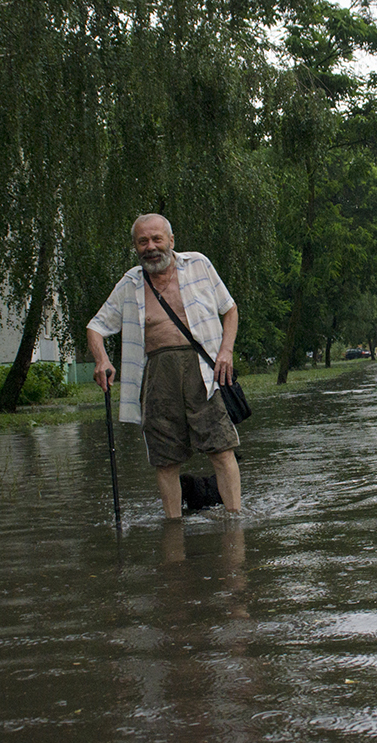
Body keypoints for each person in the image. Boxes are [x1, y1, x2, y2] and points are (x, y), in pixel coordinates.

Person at [87, 213, 242, 519]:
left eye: (157, 239)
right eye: (143, 241)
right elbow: (96, 326)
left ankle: (235, 520)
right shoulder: (130, 284)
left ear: (171, 241)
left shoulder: (199, 264)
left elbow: (230, 309)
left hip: (203, 371)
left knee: (221, 449)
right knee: (165, 459)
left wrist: (226, 349)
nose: (151, 247)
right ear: (135, 246)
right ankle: (174, 528)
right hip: (156, 376)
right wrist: (101, 359)